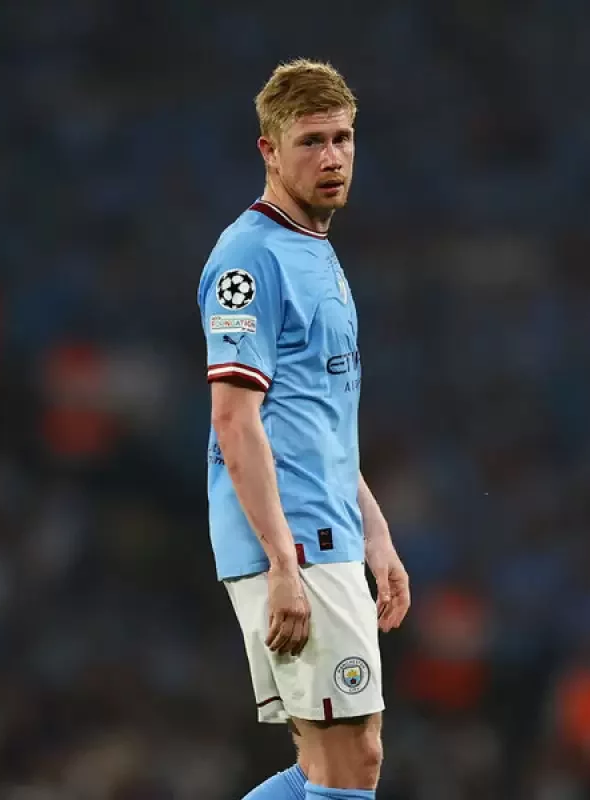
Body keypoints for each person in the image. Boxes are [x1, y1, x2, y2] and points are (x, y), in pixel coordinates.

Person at [198, 60, 411, 800]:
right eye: (311, 141)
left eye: (342, 139)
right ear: (269, 150)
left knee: (341, 761)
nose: (332, 157)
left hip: (327, 531)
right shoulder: (248, 259)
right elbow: (234, 419)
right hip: (294, 542)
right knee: (350, 761)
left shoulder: (313, 248)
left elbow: (317, 421)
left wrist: (375, 533)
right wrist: (282, 564)